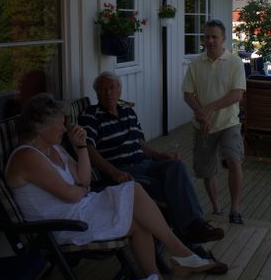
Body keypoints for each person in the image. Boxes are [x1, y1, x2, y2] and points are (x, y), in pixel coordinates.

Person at [5, 93, 216, 280]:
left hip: (81, 209)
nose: (64, 128)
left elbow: (84, 179)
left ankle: (163, 279)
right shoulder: (27, 157)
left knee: (138, 213)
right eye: (60, 123)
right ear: (41, 127)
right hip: (62, 226)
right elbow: (71, 194)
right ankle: (179, 253)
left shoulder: (54, 149)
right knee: (134, 195)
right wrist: (82, 189)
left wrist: (81, 147)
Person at [78, 72, 225, 248]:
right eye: (103, 89)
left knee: (176, 166)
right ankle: (192, 239)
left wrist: (158, 155)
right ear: (97, 93)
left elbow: (140, 142)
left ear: (120, 90)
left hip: (145, 164)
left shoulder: (128, 111)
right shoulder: (91, 115)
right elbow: (89, 149)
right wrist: (114, 172)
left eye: (112, 88)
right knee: (171, 189)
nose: (108, 93)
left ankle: (195, 226)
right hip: (123, 172)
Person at [182, 19, 246, 224]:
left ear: (223, 39)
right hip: (202, 125)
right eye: (207, 37)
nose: (209, 41)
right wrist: (201, 115)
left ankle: (235, 209)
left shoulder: (234, 62)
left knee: (234, 161)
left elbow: (237, 94)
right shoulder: (196, 64)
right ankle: (217, 208)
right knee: (207, 169)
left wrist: (208, 109)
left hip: (229, 123)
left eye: (214, 37)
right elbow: (188, 94)